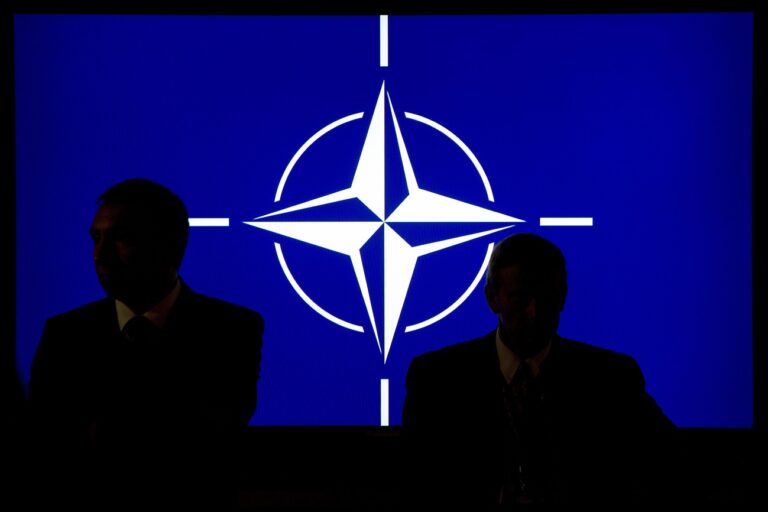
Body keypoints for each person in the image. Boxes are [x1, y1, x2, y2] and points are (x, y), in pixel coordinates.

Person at [27, 178, 264, 511]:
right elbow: (46, 442)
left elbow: (214, 433)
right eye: (96, 238)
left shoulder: (231, 329)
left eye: (121, 238)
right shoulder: (65, 334)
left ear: (170, 244)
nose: (100, 255)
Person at [401, 232, 679, 508]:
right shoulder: (436, 380)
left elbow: (667, 461)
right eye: (520, 299)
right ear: (492, 298)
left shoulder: (612, 379)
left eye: (546, 299)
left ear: (563, 297)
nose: (533, 312)